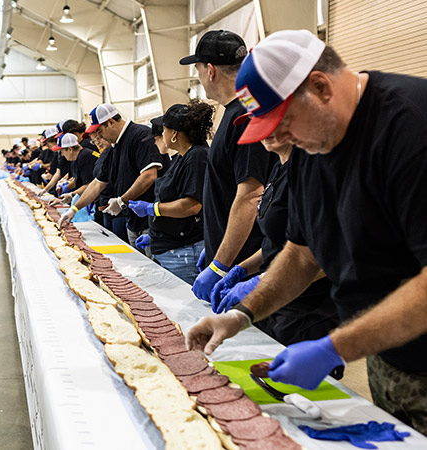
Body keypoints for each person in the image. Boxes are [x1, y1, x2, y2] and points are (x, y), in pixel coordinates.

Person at [185, 29, 427, 433]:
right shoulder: (314, 146)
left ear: (319, 87)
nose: (276, 139)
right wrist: (243, 314)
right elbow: (300, 252)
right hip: (390, 355)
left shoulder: (410, 128)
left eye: (282, 122)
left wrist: (335, 346)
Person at [208, 134, 341, 354]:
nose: (263, 133)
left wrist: (262, 280)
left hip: (305, 309)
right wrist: (242, 269)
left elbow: (321, 254)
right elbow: (278, 241)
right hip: (274, 300)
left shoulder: (311, 170)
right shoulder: (278, 169)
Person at [179, 30, 276, 301]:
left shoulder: (245, 117)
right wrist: (213, 245)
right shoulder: (232, 114)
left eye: (197, 69)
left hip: (243, 265)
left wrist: (221, 263)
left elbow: (250, 195)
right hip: (231, 255)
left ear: (210, 71)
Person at [59, 104, 163, 256]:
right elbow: (98, 183)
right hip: (132, 221)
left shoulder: (139, 135)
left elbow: (149, 175)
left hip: (149, 221)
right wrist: (74, 209)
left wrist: (122, 200)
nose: (100, 139)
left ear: (111, 122)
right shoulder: (114, 148)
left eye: (100, 132)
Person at [128, 100, 212, 284]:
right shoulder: (182, 158)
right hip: (171, 249)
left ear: (174, 134)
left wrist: (153, 208)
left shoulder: (197, 157)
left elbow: (191, 206)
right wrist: (156, 235)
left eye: (164, 130)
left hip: (184, 252)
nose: (162, 134)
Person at [49, 133, 99, 207]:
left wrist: (71, 195)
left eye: (62, 151)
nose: (62, 155)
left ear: (69, 149)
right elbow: (78, 179)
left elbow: (89, 184)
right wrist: (61, 200)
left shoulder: (84, 157)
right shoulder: (77, 158)